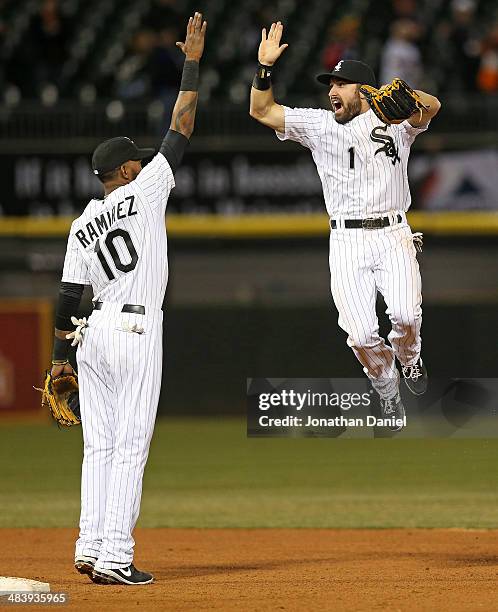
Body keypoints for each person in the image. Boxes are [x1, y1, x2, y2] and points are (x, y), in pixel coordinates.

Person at [48, 12, 206, 585]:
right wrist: (192, 60)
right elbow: (182, 124)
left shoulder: (80, 223)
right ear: (129, 169)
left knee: (99, 449)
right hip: (136, 331)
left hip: (91, 335)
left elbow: (68, 299)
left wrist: (60, 359)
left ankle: (89, 547)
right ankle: (115, 557)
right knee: (131, 447)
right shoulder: (147, 188)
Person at [249, 22, 441, 430]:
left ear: (366, 91)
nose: (333, 91)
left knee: (406, 316)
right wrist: (264, 68)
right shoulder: (318, 125)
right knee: (360, 334)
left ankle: (410, 360)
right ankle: (388, 392)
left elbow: (433, 106)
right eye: (330, 84)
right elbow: (261, 110)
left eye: (343, 84)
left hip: (393, 233)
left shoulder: (395, 122)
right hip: (347, 239)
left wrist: (408, 95)